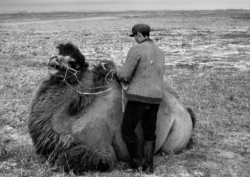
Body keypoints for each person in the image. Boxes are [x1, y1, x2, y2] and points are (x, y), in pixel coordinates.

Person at [115, 24, 165, 174]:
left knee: (127, 129)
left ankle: (136, 163)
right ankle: (149, 167)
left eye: (135, 36)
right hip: (156, 98)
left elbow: (124, 74)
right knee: (149, 132)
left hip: (139, 98)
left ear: (138, 34)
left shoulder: (137, 49)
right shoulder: (160, 52)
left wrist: (116, 75)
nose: (135, 39)